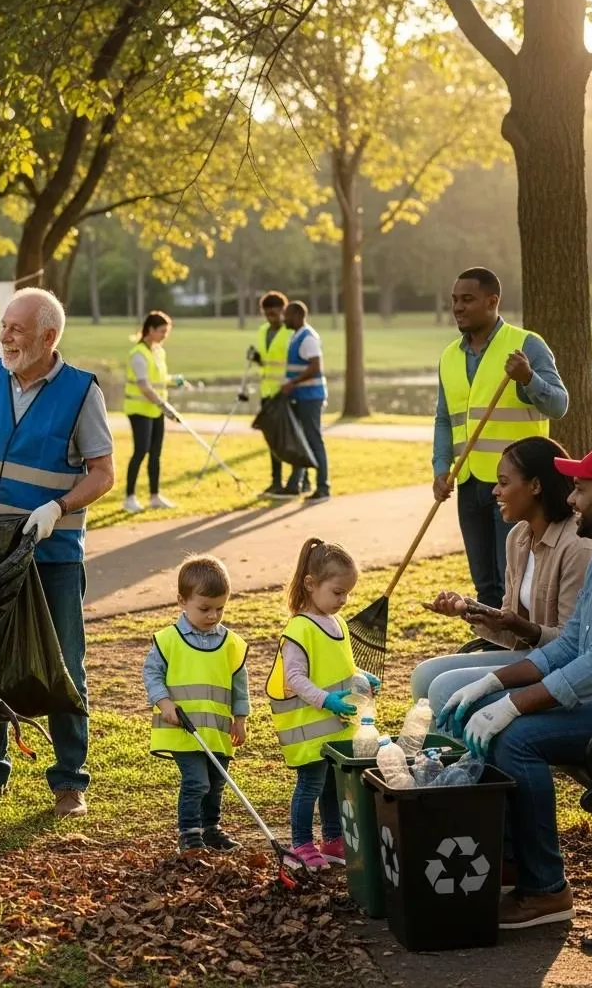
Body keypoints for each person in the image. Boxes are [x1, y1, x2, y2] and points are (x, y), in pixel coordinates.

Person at [440, 443, 592, 930]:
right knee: (488, 714)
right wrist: (491, 685)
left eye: (580, 488)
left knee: (518, 737)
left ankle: (546, 890)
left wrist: (512, 707)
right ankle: (511, 860)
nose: (570, 498)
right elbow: (568, 645)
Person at [0, 288, 115, 817]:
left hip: (51, 552)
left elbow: (103, 472)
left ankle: (69, 781)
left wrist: (57, 508)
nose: (5, 336)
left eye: (16, 328)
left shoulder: (82, 392)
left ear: (49, 337)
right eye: (4, 326)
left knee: (63, 664)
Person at [412, 436, 592, 715]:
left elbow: (573, 646)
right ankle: (446, 755)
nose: (495, 491)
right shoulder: (518, 538)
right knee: (424, 675)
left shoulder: (577, 547)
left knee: (443, 688)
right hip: (531, 657)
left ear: (535, 486)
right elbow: (514, 633)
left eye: (504, 482)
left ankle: (469, 759)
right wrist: (467, 609)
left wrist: (520, 626)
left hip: (561, 672)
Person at [433, 267, 568, 608]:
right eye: (454, 300)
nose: (458, 307)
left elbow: (559, 404)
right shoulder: (449, 356)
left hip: (518, 485)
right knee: (485, 587)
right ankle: (491, 648)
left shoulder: (526, 344)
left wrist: (528, 378)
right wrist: (440, 466)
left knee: (516, 582)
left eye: (468, 299)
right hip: (468, 482)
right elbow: (444, 420)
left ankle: (520, 653)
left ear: (492, 301)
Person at [266, 538, 381, 869]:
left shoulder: (338, 623)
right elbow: (296, 680)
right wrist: (328, 700)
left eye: (347, 593)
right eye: (337, 592)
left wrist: (362, 677)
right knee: (311, 786)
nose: (343, 600)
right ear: (311, 584)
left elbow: (338, 668)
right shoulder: (299, 629)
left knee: (332, 784)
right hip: (308, 730)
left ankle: (332, 841)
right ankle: (301, 845)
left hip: (334, 729)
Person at [143, 554, 250, 854]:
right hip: (183, 729)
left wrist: (239, 718)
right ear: (182, 600)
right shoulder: (169, 640)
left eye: (220, 608)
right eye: (204, 608)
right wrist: (164, 703)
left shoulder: (231, 643)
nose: (213, 616)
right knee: (196, 782)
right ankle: (189, 834)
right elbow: (151, 673)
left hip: (217, 731)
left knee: (216, 782)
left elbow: (239, 683)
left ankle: (210, 828)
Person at [122, 310, 184, 514]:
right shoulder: (138, 354)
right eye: (162, 331)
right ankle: (129, 498)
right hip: (139, 410)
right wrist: (163, 405)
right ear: (150, 330)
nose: (165, 335)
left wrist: (175, 380)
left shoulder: (158, 351)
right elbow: (144, 385)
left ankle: (155, 496)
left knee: (156, 453)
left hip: (156, 409)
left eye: (167, 331)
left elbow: (159, 378)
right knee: (141, 452)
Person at [247, 290, 296, 497]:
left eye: (274, 314)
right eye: (267, 314)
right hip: (268, 392)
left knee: (291, 438)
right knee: (272, 439)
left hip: (287, 392)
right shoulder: (262, 331)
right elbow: (267, 362)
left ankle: (299, 480)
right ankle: (276, 480)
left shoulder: (291, 332)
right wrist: (256, 358)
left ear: (283, 311)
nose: (271, 318)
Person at [281, 300, 329, 501]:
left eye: (287, 315)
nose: (284, 319)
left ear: (298, 316)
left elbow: (315, 367)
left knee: (313, 440)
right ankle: (298, 483)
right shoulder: (296, 336)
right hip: (300, 397)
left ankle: (323, 487)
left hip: (310, 398)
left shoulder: (308, 338)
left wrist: (293, 382)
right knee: (301, 441)